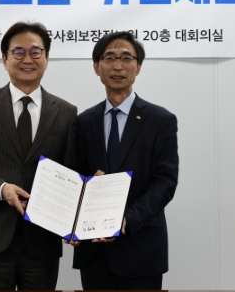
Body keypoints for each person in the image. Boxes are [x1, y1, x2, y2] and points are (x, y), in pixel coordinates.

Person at [0, 21, 77, 290]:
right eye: (18, 52)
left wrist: (76, 216)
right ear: (4, 58)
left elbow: (70, 172)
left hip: (42, 240)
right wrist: (1, 189)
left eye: (35, 52)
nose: (27, 59)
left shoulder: (66, 112)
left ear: (46, 57)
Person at [72, 31, 179, 290]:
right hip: (94, 252)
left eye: (126, 58)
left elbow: (165, 182)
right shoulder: (83, 122)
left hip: (141, 248)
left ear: (138, 67)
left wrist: (126, 221)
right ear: (97, 67)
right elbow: (74, 176)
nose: (118, 66)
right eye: (109, 58)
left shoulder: (160, 120)